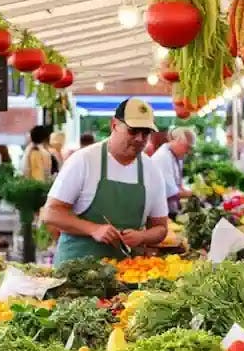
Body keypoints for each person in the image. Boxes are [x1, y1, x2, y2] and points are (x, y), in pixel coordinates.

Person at [41, 98, 169, 262]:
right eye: (133, 131)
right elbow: (51, 213)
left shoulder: (152, 170)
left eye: (146, 133)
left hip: (127, 271)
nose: (139, 138)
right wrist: (93, 229)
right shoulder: (84, 160)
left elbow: (160, 228)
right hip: (76, 270)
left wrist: (142, 237)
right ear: (114, 125)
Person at [151, 126, 195, 216]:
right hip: (158, 212)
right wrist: (194, 193)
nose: (188, 152)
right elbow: (172, 193)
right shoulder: (163, 157)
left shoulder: (176, 155)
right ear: (177, 141)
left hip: (169, 208)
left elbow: (179, 186)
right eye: (187, 147)